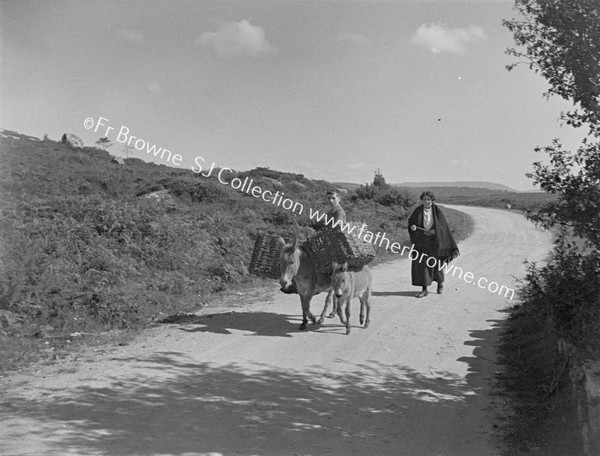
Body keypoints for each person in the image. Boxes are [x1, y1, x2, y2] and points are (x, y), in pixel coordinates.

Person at [408, 191, 459, 298]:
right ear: (421, 200)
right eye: (425, 199)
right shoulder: (417, 211)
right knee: (422, 265)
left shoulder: (437, 212)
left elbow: (442, 227)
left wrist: (435, 231)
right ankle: (424, 289)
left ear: (432, 201)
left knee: (437, 264)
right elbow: (411, 224)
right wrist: (412, 228)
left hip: (435, 242)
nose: (427, 201)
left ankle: (440, 284)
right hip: (422, 242)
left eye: (429, 199)